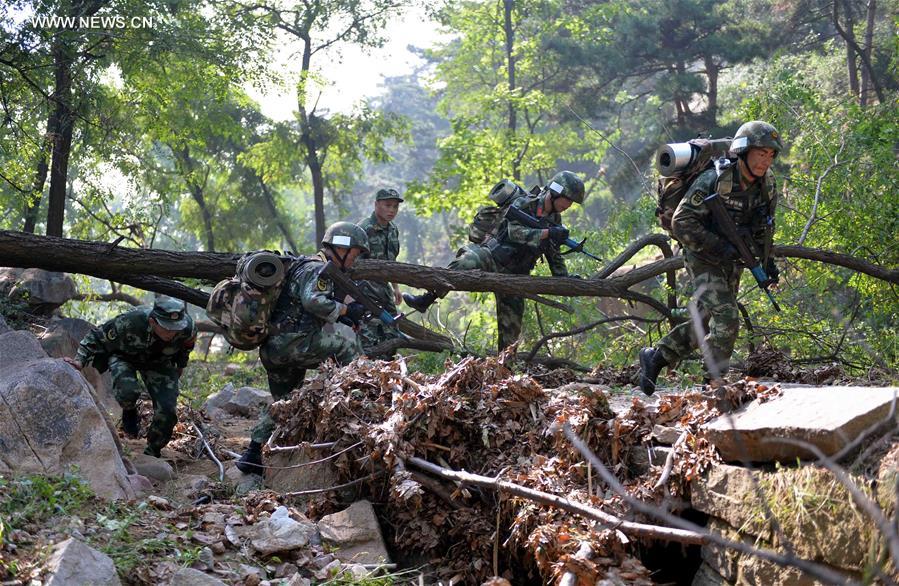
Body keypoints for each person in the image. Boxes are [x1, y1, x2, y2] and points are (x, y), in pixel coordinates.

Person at [638, 120, 783, 395]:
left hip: (733, 256)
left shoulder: (768, 185)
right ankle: (714, 385)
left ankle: (656, 357)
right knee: (727, 316)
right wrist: (720, 246)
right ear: (743, 151)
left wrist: (768, 262)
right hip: (702, 254)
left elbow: (766, 227)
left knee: (707, 318)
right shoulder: (715, 179)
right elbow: (682, 222)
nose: (765, 160)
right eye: (760, 153)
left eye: (770, 155)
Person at [235, 221, 369, 473]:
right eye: (356, 252)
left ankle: (252, 454)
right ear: (341, 248)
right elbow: (313, 300)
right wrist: (346, 310)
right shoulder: (318, 269)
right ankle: (359, 404)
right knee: (346, 345)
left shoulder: (302, 266)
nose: (357, 259)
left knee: (284, 402)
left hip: (275, 349)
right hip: (295, 344)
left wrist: (342, 315)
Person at [403, 171, 586, 352]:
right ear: (555, 192)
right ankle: (428, 298)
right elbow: (512, 232)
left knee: (510, 336)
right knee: (465, 263)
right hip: (492, 256)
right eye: (568, 200)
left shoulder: (555, 220)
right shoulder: (525, 203)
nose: (569, 205)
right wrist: (546, 233)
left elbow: (553, 254)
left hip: (516, 275)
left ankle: (504, 370)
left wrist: (566, 278)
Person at [64, 296, 197, 457]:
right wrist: (79, 361)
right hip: (124, 356)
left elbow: (185, 349)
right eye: (167, 328)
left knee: (167, 410)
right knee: (127, 392)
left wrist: (180, 366)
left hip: (159, 363)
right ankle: (129, 410)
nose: (171, 333)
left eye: (175, 328)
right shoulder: (130, 321)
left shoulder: (187, 328)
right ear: (152, 322)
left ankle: (153, 451)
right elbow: (97, 336)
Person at [356, 188, 405, 357]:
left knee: (392, 333)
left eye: (395, 207)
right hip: (365, 291)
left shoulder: (393, 229)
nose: (392, 210)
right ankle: (368, 375)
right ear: (376, 205)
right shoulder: (362, 229)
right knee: (370, 336)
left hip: (384, 290)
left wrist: (396, 288)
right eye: (387, 205)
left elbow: (391, 262)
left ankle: (388, 373)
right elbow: (351, 264)